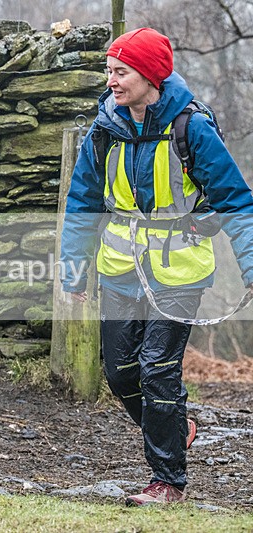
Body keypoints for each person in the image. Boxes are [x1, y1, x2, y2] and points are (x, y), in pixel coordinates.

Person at [60, 28, 253, 506]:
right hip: (120, 266)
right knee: (120, 372)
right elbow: (83, 201)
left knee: (157, 371)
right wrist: (73, 267)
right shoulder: (103, 129)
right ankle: (174, 424)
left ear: (150, 76)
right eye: (109, 71)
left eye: (121, 72)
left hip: (180, 271)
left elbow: (234, 200)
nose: (112, 82)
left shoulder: (192, 129)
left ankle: (167, 481)